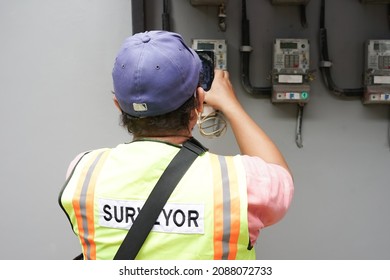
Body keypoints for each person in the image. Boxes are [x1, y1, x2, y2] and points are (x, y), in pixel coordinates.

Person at [58, 30, 294, 260]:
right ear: (199, 102)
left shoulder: (83, 173)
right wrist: (231, 106)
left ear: (118, 106)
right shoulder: (240, 183)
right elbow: (280, 176)